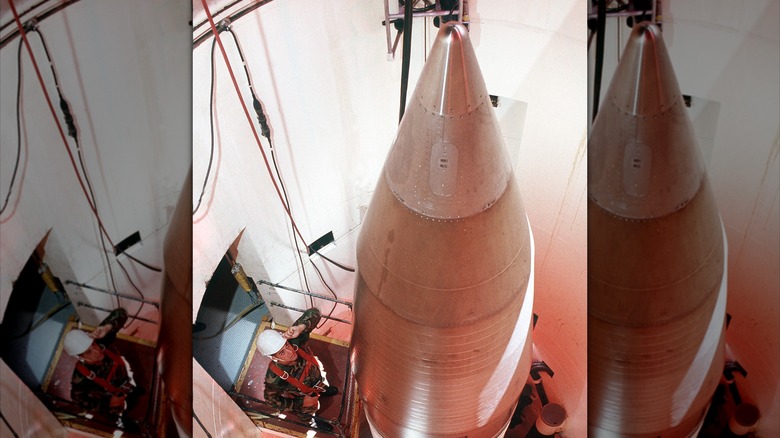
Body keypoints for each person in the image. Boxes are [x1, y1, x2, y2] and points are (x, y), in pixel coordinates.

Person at [256, 307, 338, 431]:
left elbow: (314, 313)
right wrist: (300, 402)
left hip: (316, 377)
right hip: (304, 396)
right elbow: (271, 401)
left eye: (286, 345)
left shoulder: (295, 341)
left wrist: (300, 328)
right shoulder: (275, 377)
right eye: (282, 353)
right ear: (273, 358)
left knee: (320, 384)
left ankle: (323, 390)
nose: (290, 352)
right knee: (307, 413)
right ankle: (311, 423)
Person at [63, 307, 138, 428]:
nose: (96, 351)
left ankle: (133, 392)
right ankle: (119, 421)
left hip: (125, 380)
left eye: (93, 345)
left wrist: (106, 328)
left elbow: (122, 312)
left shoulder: (102, 339)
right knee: (116, 416)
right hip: (111, 398)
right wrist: (107, 404)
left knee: (133, 391)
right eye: (88, 352)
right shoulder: (81, 375)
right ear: (80, 357)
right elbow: (77, 399)